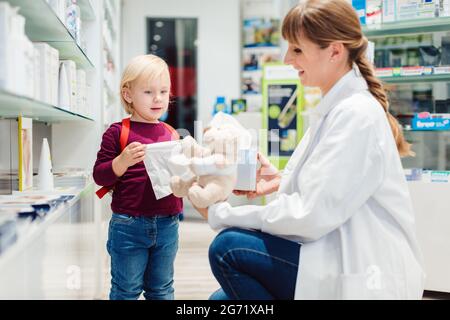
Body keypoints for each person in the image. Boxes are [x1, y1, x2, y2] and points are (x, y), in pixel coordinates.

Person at [192, 0, 425, 300]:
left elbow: (310, 216)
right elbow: (323, 192)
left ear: (335, 51)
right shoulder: (334, 108)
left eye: (298, 49)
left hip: (364, 270)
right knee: (219, 302)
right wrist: (279, 181)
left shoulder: (356, 115)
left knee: (228, 248)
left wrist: (221, 214)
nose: (288, 58)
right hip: (330, 253)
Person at [93, 55, 182, 300]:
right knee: (126, 290)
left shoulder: (172, 134)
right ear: (128, 94)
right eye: (148, 91)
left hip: (168, 223)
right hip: (128, 224)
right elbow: (100, 175)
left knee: (162, 288)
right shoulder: (117, 132)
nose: (158, 98)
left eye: (164, 91)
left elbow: (179, 178)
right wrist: (121, 162)